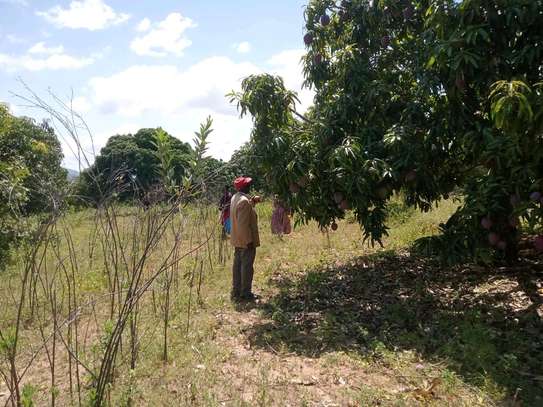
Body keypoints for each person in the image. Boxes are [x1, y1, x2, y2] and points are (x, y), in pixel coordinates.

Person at [230, 176, 260, 302]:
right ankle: (245, 293)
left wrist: (253, 201)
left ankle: (236, 290)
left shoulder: (235, 198)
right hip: (245, 240)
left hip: (237, 239)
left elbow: (243, 211)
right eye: (248, 185)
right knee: (246, 267)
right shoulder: (244, 201)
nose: (250, 187)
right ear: (243, 187)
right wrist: (248, 241)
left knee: (237, 265)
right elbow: (243, 224)